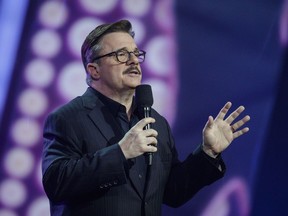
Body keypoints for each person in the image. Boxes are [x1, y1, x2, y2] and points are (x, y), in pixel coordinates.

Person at [41, 20, 250, 216]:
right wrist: (121, 153)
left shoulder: (156, 122)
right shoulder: (67, 118)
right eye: (120, 55)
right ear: (94, 70)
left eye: (135, 53)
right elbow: (56, 184)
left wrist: (207, 153)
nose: (133, 61)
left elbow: (173, 192)